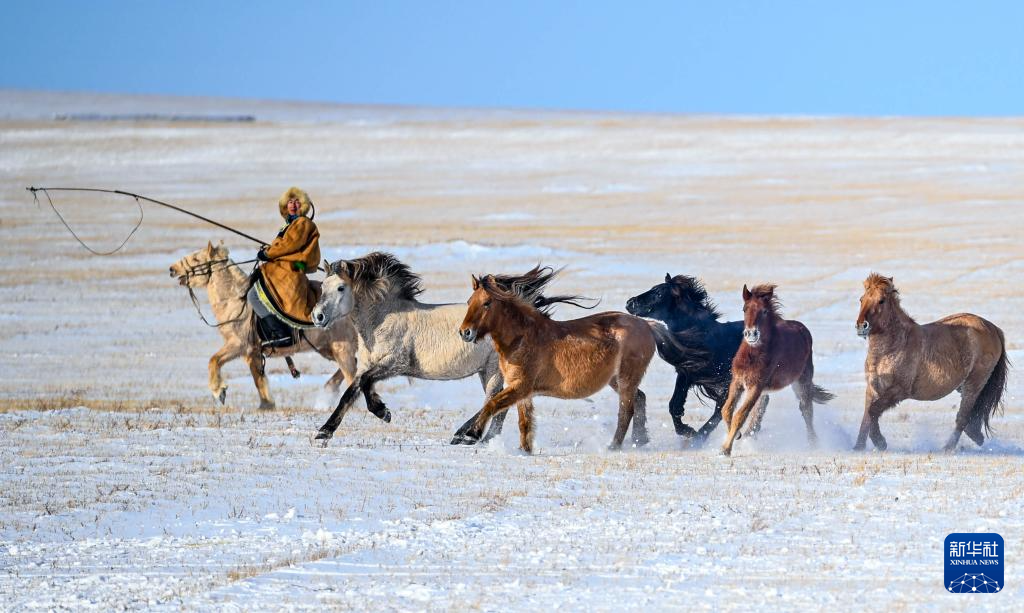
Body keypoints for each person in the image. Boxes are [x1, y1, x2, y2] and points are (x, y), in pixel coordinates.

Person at [247, 187, 322, 347]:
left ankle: (281, 334)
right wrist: (270, 252)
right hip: (287, 268)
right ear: (284, 206)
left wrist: (268, 255)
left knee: (253, 295)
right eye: (290, 202)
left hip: (291, 270)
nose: (293, 205)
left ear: (303, 205)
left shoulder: (302, 222)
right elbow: (285, 247)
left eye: (297, 202)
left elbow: (289, 245)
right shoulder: (289, 225)